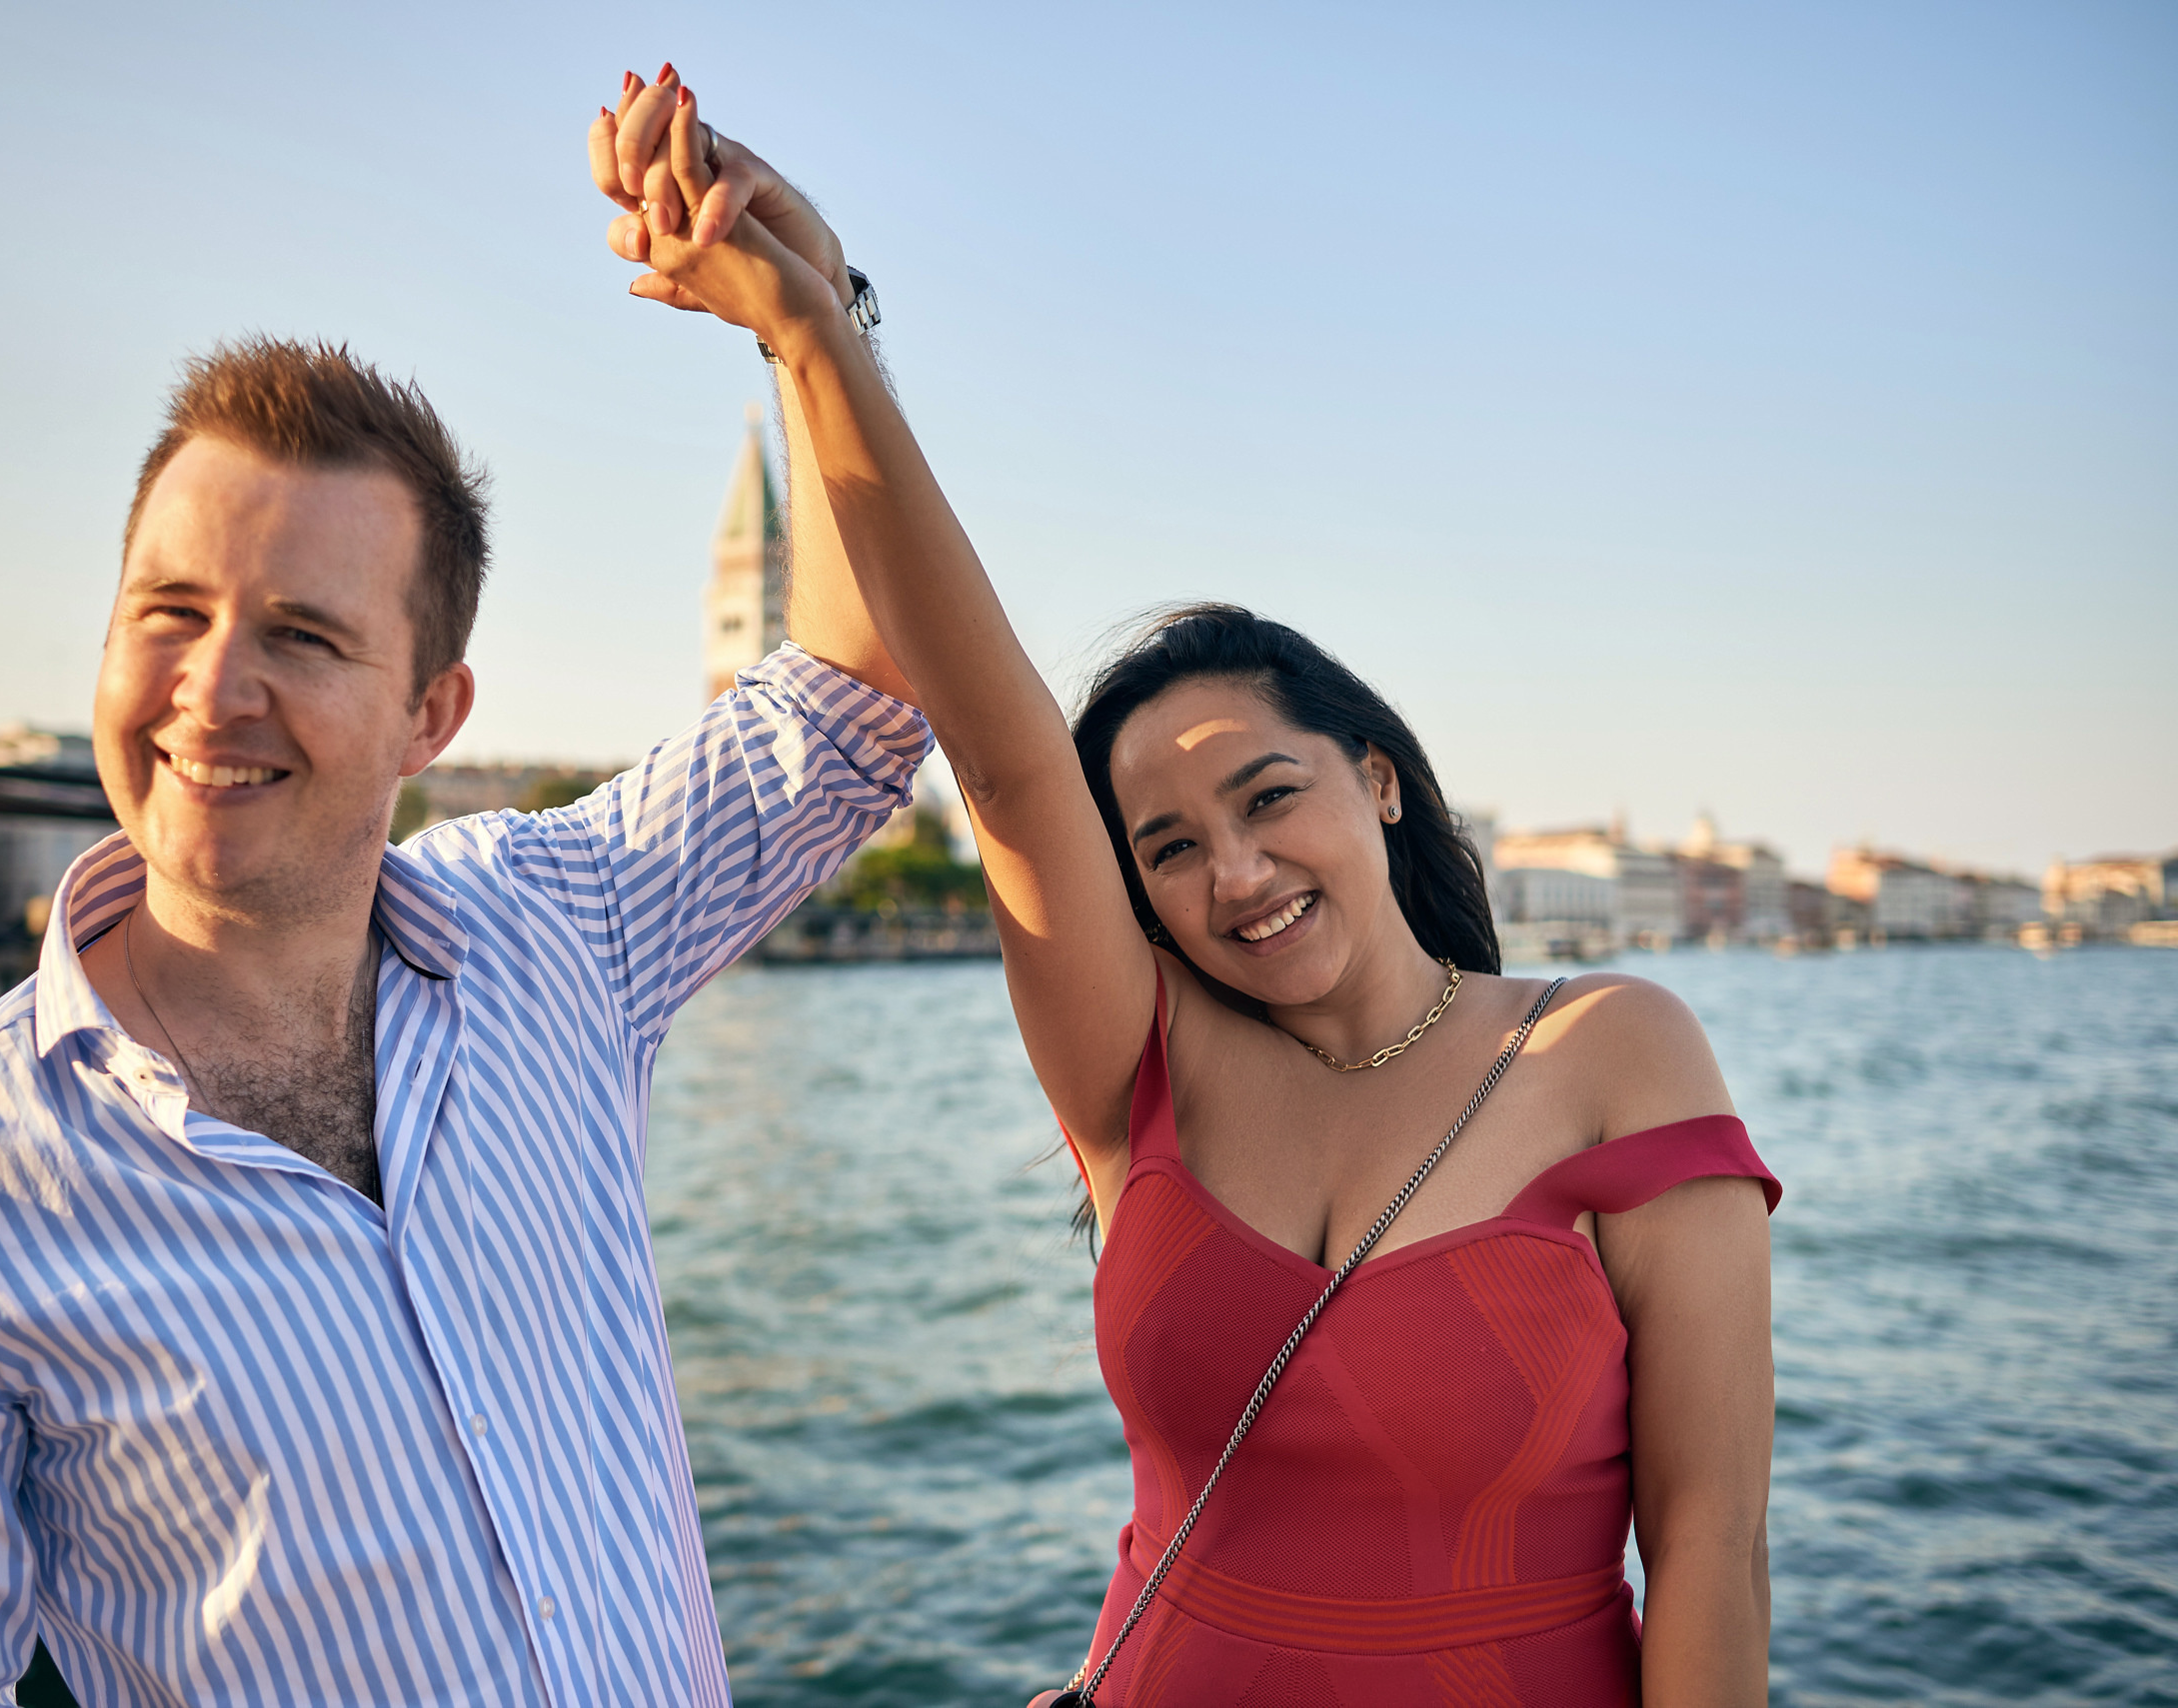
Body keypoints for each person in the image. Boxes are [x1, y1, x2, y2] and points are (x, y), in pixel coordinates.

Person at [0, 73, 923, 1704]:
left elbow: (851, 699)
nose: (213, 692)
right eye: (169, 612)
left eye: (302, 635)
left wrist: (815, 324)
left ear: (433, 714)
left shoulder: (559, 931)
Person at [614, 82, 1780, 1706]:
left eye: (1268, 795)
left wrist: (821, 331)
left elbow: (1714, 1547)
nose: (1232, 872)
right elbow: (1004, 745)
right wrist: (814, 334)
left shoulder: (1613, 1051)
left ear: (1374, 777)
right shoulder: (1139, 1070)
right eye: (1164, 846)